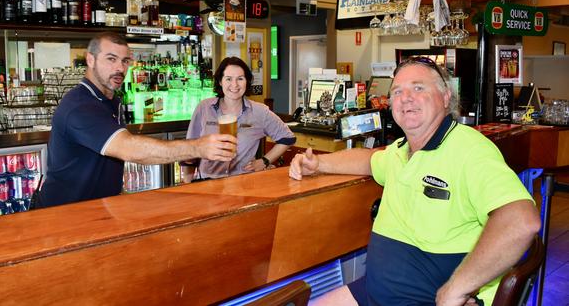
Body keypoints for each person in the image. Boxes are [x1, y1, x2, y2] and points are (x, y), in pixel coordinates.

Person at [289, 56, 540, 306]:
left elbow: (520, 220)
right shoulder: (400, 151)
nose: (406, 97)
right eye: (397, 91)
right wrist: (319, 164)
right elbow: (367, 160)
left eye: (418, 88)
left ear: (445, 98)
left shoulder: (469, 149)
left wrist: (457, 289)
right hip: (375, 291)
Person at [37, 32, 236, 208]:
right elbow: (128, 148)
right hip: (64, 213)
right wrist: (198, 148)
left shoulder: (111, 100)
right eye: (111, 59)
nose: (119, 68)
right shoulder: (80, 105)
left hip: (97, 209)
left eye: (125, 61)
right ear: (90, 60)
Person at [181, 57, 295, 182]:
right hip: (208, 182)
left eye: (240, 78)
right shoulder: (204, 108)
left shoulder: (259, 111)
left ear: (247, 81)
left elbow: (287, 138)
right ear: (220, 81)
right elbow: (190, 150)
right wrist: (188, 184)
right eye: (228, 79)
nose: (234, 85)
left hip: (243, 184)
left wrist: (264, 161)